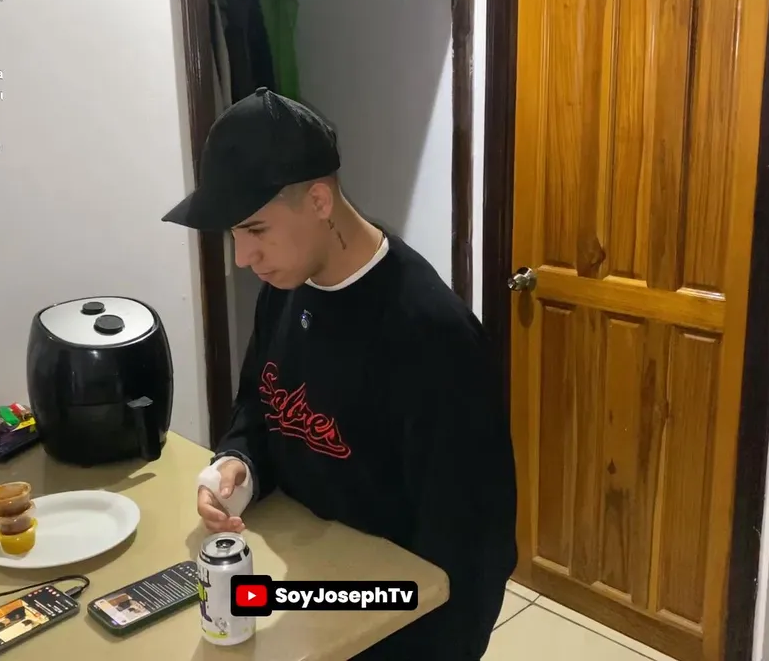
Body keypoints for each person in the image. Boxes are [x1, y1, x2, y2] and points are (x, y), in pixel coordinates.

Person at [162, 88, 517, 660]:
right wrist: (238, 465)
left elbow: (472, 554)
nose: (242, 258)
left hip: (389, 625)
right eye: (233, 235)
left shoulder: (434, 336)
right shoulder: (286, 288)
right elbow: (260, 404)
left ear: (319, 201)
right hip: (301, 585)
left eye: (255, 230)